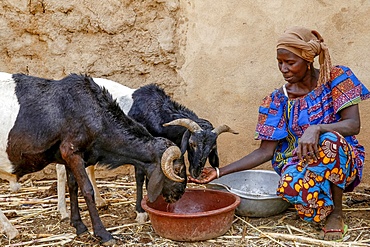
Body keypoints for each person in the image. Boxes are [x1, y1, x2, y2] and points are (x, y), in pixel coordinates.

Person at [188, 26, 370, 241]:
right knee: (290, 186)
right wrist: (219, 172)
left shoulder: (337, 78)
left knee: (330, 140)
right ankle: (321, 202)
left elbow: (353, 125)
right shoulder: (277, 100)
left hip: (343, 160)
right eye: (280, 62)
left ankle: (336, 214)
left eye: (290, 63)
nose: (284, 69)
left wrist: (316, 128)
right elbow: (265, 151)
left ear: (308, 60)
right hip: (300, 162)